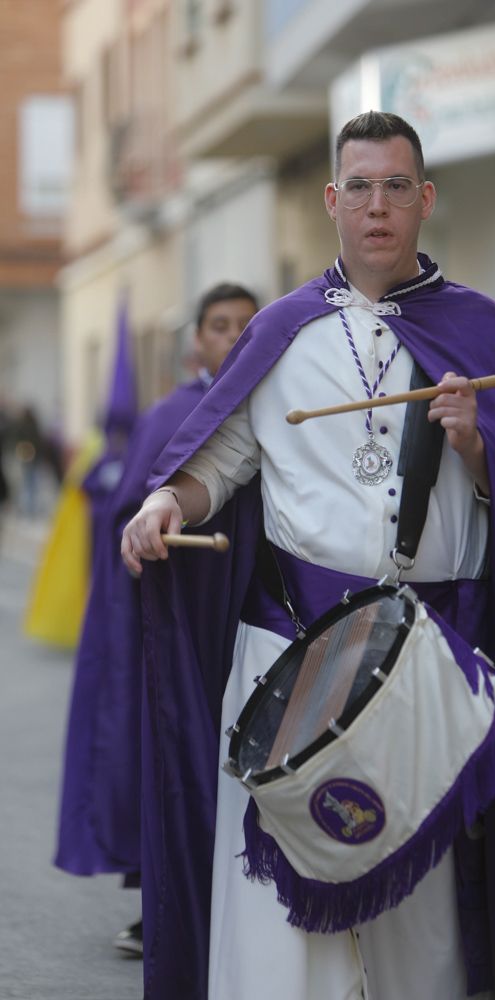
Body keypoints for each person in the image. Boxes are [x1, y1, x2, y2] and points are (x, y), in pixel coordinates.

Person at [122, 113, 495, 1000]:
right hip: (287, 656)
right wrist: (166, 500)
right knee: (283, 929)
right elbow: (219, 465)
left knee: (421, 928)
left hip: (420, 663)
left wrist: (477, 448)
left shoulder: (477, 329)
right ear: (332, 201)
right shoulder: (280, 332)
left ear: (426, 198)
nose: (377, 206)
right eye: (359, 187)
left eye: (397, 186)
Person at [55, 283, 259, 958]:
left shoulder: (275, 401)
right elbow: (125, 515)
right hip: (183, 613)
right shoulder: (170, 414)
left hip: (252, 613)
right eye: (220, 325)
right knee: (175, 749)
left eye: (244, 326)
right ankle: (163, 902)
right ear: (196, 340)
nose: (232, 337)